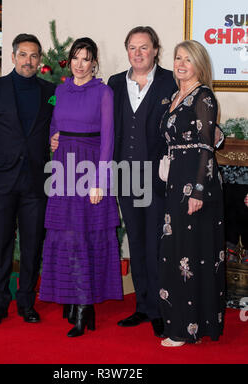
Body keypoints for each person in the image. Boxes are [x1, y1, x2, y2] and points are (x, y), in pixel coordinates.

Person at [0, 34, 56, 325]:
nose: (28, 61)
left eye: (33, 56)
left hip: (36, 181)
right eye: (23, 55)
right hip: (1, 181)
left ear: (39, 60)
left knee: (32, 246)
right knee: (1, 244)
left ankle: (27, 303)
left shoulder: (50, 92)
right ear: (13, 57)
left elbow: (59, 128)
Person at [39, 37, 123, 337]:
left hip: (89, 167)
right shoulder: (60, 90)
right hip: (63, 167)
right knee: (65, 236)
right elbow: (54, 123)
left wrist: (100, 181)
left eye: (86, 58)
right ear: (70, 60)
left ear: (94, 63)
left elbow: (109, 139)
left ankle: (85, 305)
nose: (79, 63)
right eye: (76, 57)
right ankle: (73, 299)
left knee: (87, 236)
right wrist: (53, 138)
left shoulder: (103, 92)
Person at [108, 26, 177, 337]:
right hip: (126, 176)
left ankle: (161, 309)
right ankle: (143, 306)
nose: (138, 53)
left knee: (156, 244)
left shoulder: (170, 81)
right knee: (135, 242)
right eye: (133, 48)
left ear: (155, 50)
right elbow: (105, 127)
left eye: (144, 47)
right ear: (127, 51)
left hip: (157, 176)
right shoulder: (114, 84)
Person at [158, 40, 225, 347]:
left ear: (199, 64)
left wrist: (198, 190)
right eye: (177, 58)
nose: (181, 64)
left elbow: (206, 147)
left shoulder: (204, 96)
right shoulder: (175, 96)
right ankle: (179, 322)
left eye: (188, 59)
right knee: (177, 252)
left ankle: (189, 329)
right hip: (175, 183)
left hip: (197, 186)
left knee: (192, 255)